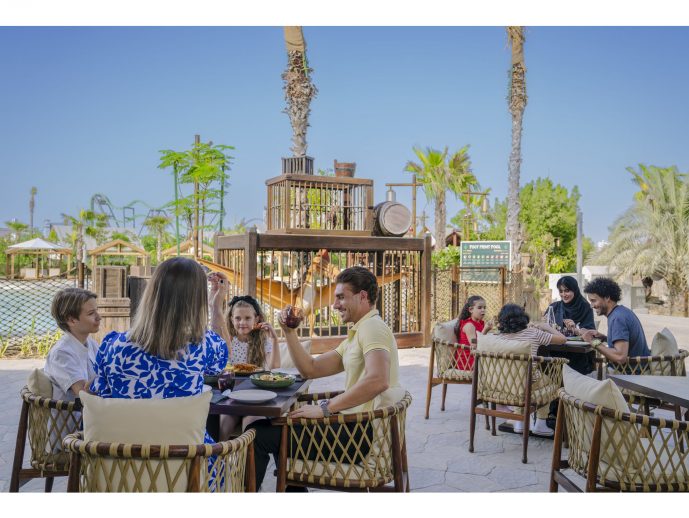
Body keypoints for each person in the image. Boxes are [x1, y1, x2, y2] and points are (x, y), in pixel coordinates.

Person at [247, 266, 405, 490]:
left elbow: (378, 380)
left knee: (258, 434)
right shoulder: (358, 332)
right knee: (279, 429)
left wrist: (325, 408)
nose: (335, 305)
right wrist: (289, 332)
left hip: (358, 435)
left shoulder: (372, 328)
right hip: (352, 427)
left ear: (362, 296)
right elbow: (310, 369)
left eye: (341, 297)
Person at [89, 257, 229, 483]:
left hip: (117, 470)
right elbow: (222, 362)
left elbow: (100, 392)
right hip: (187, 471)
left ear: (151, 293)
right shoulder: (204, 346)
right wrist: (216, 308)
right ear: (196, 301)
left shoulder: (112, 345)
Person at [495, 303, 567, 438]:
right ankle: (541, 423)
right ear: (523, 318)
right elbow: (563, 339)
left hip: (505, 384)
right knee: (551, 383)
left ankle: (519, 422)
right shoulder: (533, 333)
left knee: (518, 378)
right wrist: (546, 327)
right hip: (528, 384)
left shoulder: (498, 337)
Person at [218, 294, 280, 440]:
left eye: (247, 318)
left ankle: (247, 455)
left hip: (257, 396)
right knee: (225, 418)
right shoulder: (228, 342)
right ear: (231, 319)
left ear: (256, 319)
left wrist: (274, 339)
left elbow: (274, 368)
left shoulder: (264, 342)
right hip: (233, 396)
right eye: (238, 318)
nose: (242, 322)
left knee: (251, 423)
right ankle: (220, 453)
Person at [44, 287, 101, 402]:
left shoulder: (91, 343)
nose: (99, 317)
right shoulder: (61, 353)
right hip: (77, 413)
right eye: (91, 313)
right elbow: (84, 393)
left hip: (93, 409)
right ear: (71, 320)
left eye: (97, 311)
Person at [581, 277, 650, 362]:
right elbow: (624, 344)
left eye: (593, 301)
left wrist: (593, 341)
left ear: (607, 297)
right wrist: (604, 338)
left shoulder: (617, 318)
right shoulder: (621, 312)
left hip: (630, 370)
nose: (591, 306)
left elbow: (620, 357)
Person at [545, 276, 596, 375]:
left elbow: (591, 333)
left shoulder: (585, 307)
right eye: (561, 291)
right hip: (555, 353)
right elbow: (545, 327)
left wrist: (576, 329)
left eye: (567, 291)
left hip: (578, 355)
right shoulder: (554, 307)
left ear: (574, 290)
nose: (563, 294)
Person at [454, 295, 494, 371]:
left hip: (476, 357)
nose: (483, 310)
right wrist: (485, 330)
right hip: (467, 361)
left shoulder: (480, 323)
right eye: (479, 308)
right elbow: (475, 346)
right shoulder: (469, 325)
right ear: (471, 309)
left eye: (484, 308)